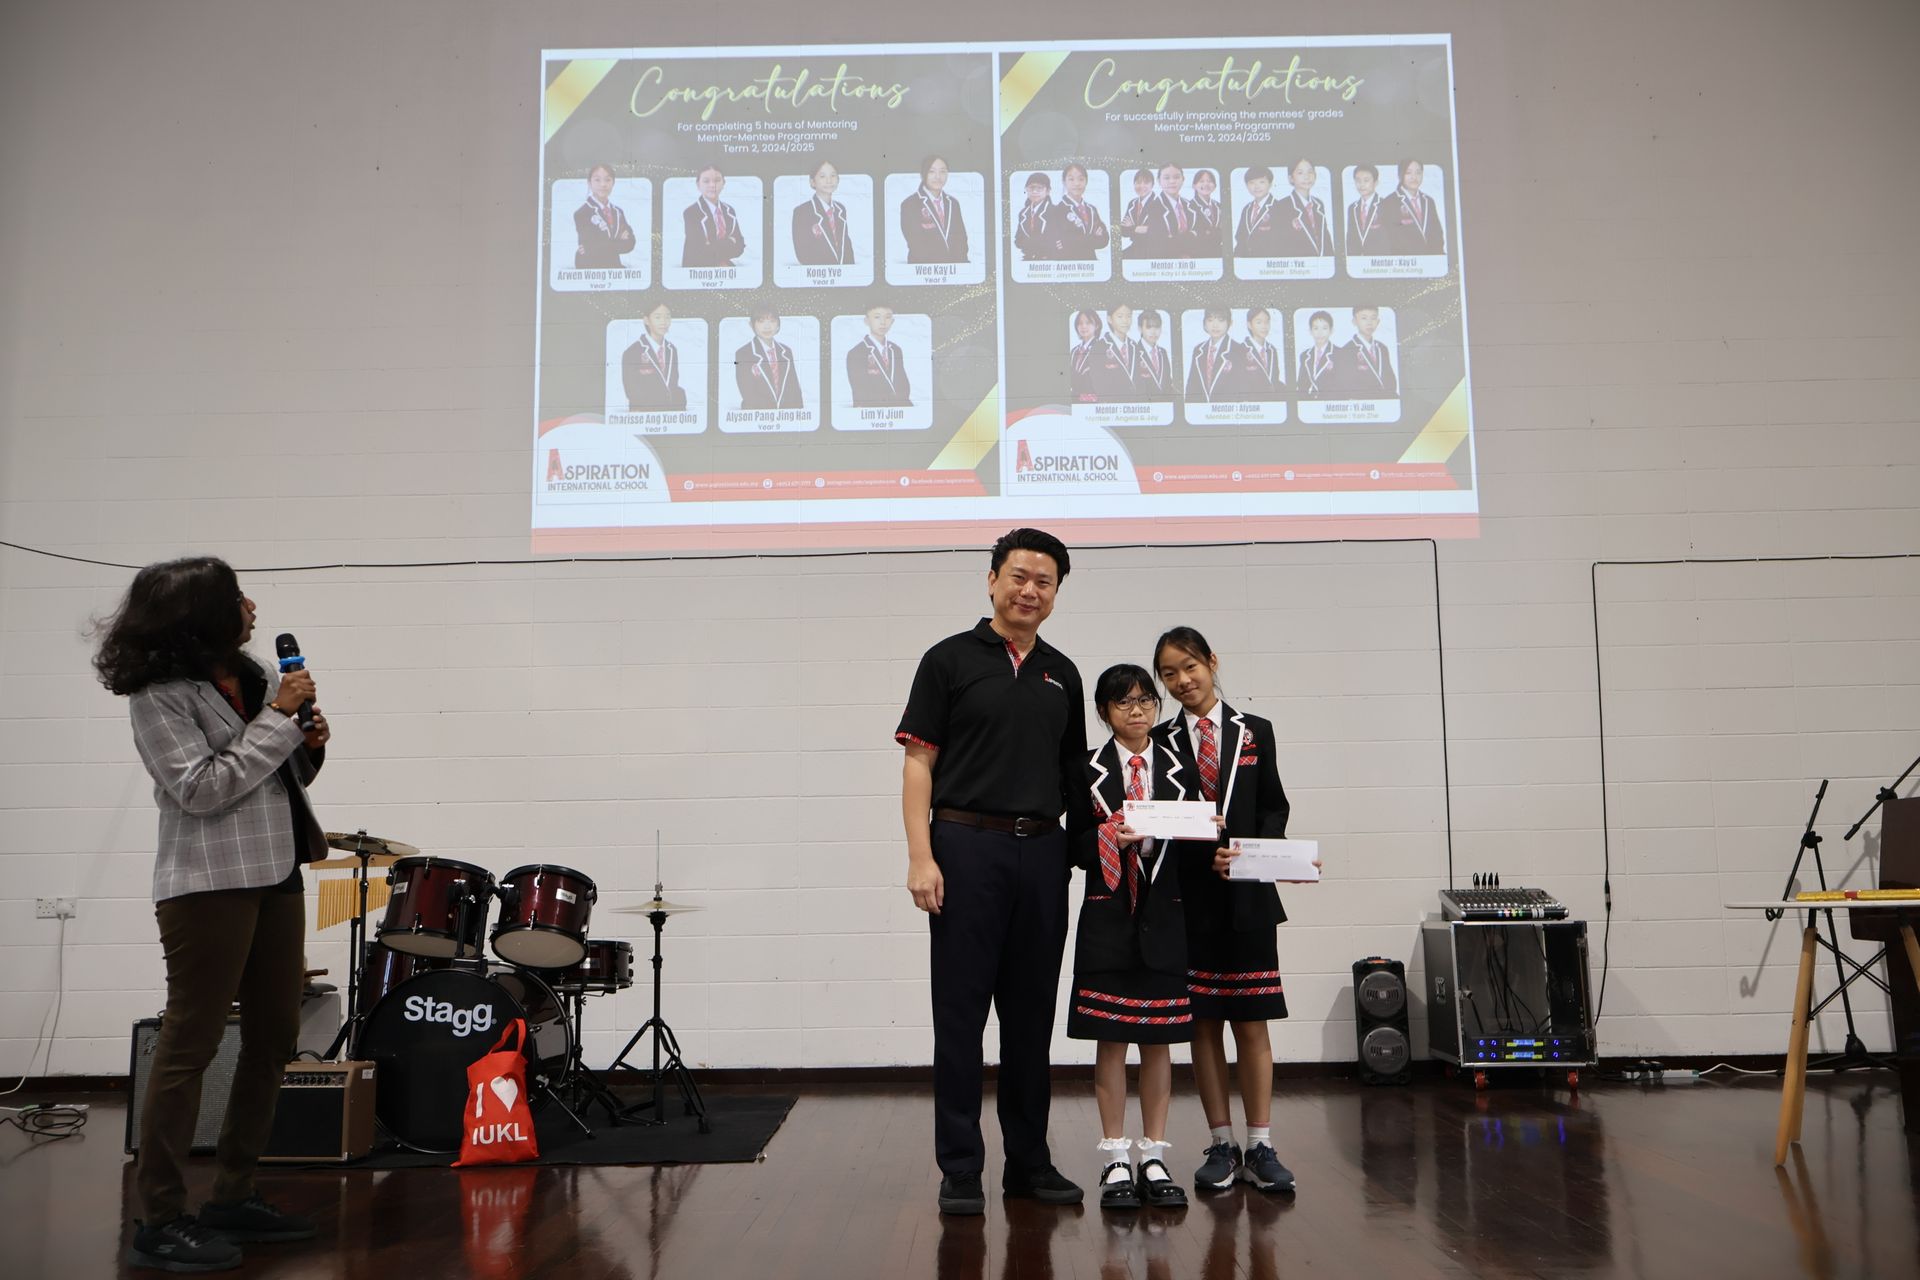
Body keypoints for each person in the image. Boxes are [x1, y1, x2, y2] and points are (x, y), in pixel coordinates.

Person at [94, 557, 330, 1272]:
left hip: (277, 870)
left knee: (274, 1036)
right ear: (198, 614)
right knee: (190, 1044)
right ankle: (160, 1217)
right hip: (207, 884)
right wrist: (280, 719)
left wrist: (307, 744)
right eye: (236, 597)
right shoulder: (158, 697)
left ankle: (233, 1194)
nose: (252, 605)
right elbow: (200, 790)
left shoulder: (249, 676)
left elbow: (274, 777)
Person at [897, 529, 1096, 1216]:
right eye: (1018, 576)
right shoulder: (948, 660)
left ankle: (1028, 1163)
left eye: (1044, 581)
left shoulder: (1063, 673)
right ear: (991, 580)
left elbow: (1076, 775)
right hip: (964, 847)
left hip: (1041, 855)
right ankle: (959, 1167)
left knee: (1031, 1019)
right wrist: (921, 855)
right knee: (959, 1016)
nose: (1029, 590)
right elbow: (918, 763)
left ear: (1056, 593)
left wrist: (1094, 851)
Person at [1151, 626, 1309, 1196]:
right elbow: (1158, 817)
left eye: (1189, 666)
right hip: (1189, 902)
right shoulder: (1160, 739)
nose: (1181, 681)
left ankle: (1261, 1144)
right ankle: (1222, 1143)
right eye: (1169, 674)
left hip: (1248, 900)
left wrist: (1255, 853)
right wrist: (1198, 850)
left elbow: (1274, 807)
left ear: (1212, 662)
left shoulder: (1255, 731)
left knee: (1252, 1021)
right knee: (1203, 1024)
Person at [1070, 665, 1191, 1212]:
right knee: (1112, 1038)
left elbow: (1196, 837)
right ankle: (1116, 1155)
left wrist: (1196, 832)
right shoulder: (1085, 768)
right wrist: (1106, 835)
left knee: (1159, 1040)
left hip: (1164, 917)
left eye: (1145, 700)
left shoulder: (1179, 765)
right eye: (1123, 703)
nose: (1136, 710)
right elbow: (1071, 843)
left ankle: (1155, 1155)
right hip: (1109, 917)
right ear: (1104, 712)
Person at [901, 154, 968, 264]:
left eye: (942, 171)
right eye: (932, 171)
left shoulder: (953, 203)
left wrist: (960, 265)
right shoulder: (910, 204)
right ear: (923, 174)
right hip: (924, 268)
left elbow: (961, 239)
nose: (938, 177)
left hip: (953, 269)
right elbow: (916, 244)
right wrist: (942, 266)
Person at [622, 302, 687, 412]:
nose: (663, 322)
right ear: (646, 320)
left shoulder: (672, 350)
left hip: (670, 414)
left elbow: (672, 384)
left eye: (667, 317)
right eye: (658, 317)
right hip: (645, 414)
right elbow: (631, 391)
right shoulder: (632, 352)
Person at [735, 308, 802, 410]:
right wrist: (773, 414)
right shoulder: (743, 354)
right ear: (751, 324)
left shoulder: (786, 352)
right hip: (757, 414)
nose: (767, 326)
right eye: (761, 321)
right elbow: (748, 394)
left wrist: (797, 415)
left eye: (772, 321)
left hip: (785, 415)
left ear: (778, 324)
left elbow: (794, 390)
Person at [681, 164, 746, 268]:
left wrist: (711, 244)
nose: (712, 185)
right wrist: (730, 241)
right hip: (697, 268)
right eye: (706, 181)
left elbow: (740, 246)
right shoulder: (691, 212)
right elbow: (699, 252)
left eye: (717, 180)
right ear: (698, 185)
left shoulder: (729, 210)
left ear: (723, 183)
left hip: (724, 266)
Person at [573, 163, 637, 269]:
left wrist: (603, 244)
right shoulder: (582, 213)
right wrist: (619, 241)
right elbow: (591, 248)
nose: (603, 184)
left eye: (607, 180)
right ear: (589, 183)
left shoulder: (618, 212)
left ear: (613, 183)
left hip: (614, 266)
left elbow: (630, 243)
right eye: (597, 180)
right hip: (589, 268)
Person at [847, 305, 911, 407]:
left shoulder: (895, 350)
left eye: (887, 317)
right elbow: (861, 391)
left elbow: (903, 384)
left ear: (892, 321)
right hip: (871, 409)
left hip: (899, 409)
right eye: (877, 317)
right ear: (866, 321)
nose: (883, 322)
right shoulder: (856, 353)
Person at [792, 160, 854, 266]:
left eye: (833, 175)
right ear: (812, 182)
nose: (829, 180)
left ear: (838, 179)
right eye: (822, 176)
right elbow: (802, 253)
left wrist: (849, 270)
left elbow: (846, 246)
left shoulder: (840, 209)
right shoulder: (802, 212)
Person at [1273, 159, 1333, 257]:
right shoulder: (1282, 206)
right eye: (1300, 173)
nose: (1306, 177)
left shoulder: (1318, 204)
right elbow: (1280, 244)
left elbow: (1325, 238)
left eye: (1310, 172)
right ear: (1291, 178)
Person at [1384, 159, 1445, 255]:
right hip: (1405, 261)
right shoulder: (1389, 202)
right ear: (1400, 175)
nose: (1414, 177)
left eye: (1418, 173)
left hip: (1430, 259)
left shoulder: (1428, 201)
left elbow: (1437, 233)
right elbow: (1390, 238)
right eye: (1408, 173)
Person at [1185, 306, 1241, 404]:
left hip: (1227, 409)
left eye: (1221, 320)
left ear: (1230, 323)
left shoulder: (1238, 350)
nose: (1215, 325)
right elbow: (1192, 386)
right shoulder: (1199, 350)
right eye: (1210, 320)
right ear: (1204, 323)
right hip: (1201, 410)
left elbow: (1243, 387)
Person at [1055, 163, 1110, 260]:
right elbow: (1061, 241)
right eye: (1071, 179)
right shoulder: (1058, 210)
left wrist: (1073, 241)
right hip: (1068, 263)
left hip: (1091, 262)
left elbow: (1104, 239)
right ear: (1064, 182)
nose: (1077, 183)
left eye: (1081, 179)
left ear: (1086, 182)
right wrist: (1093, 237)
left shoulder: (1092, 209)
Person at [1343, 305, 1397, 397]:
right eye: (1364, 318)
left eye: (1373, 318)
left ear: (1378, 322)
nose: (1369, 323)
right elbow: (1348, 385)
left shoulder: (1382, 348)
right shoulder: (1347, 350)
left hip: (1385, 401)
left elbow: (1390, 379)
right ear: (1354, 321)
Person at [1232, 307, 1285, 400]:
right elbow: (1239, 383)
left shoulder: (1272, 350)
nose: (1264, 326)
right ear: (1249, 325)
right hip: (1252, 404)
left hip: (1273, 402)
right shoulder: (1240, 350)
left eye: (1267, 322)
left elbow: (1274, 379)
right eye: (1259, 322)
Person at [1089, 304, 1139, 402]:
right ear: (1109, 319)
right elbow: (1098, 382)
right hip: (1112, 405)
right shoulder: (1099, 347)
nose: (1125, 321)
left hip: (1136, 406)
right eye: (1120, 316)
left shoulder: (1135, 346)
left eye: (1129, 316)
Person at [1233, 166, 1283, 257]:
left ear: (1270, 184)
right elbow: (1240, 239)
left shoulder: (1279, 208)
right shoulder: (1246, 209)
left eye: (1261, 182)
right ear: (1247, 186)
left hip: (1268, 261)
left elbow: (1282, 242)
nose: (1257, 187)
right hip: (1246, 261)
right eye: (1252, 183)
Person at [1014, 171, 1059, 261]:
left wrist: (1030, 243)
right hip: (1028, 259)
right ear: (1026, 189)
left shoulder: (1055, 211)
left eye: (1039, 188)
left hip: (1050, 259)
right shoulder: (1023, 213)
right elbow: (1018, 241)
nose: (1034, 191)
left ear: (1048, 191)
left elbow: (1054, 241)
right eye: (1031, 188)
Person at [1296, 310, 1340, 399]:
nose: (1320, 333)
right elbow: (1302, 385)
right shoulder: (1305, 355)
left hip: (1331, 403)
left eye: (1324, 328)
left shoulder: (1340, 354)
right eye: (1316, 328)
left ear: (1331, 330)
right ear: (1310, 331)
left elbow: (1343, 384)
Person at [1132, 309, 1174, 401]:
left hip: (1164, 406)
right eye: (1149, 327)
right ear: (1140, 328)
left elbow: (1167, 383)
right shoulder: (1133, 352)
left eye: (1157, 327)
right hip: (1143, 406)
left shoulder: (1163, 352)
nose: (1153, 332)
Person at [1344, 163, 1385, 256]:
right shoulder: (1352, 208)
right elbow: (1350, 238)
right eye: (1358, 181)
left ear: (1376, 182)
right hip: (1358, 260)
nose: (1361, 185)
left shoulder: (1385, 205)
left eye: (1366, 180)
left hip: (1379, 260)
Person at [1116, 168, 1157, 258]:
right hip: (1136, 246)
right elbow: (1123, 230)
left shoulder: (1158, 203)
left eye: (1146, 182)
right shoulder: (1133, 203)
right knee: (1117, 258)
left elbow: (1155, 231)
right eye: (1138, 182)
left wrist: (1132, 227)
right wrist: (1139, 229)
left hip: (1153, 249)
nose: (1141, 186)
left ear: (1152, 185)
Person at [1187, 168, 1226, 254]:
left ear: (1215, 186)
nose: (1206, 184)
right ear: (1194, 186)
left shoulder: (1219, 206)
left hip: (1218, 252)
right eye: (1201, 181)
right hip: (1197, 253)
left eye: (1209, 181)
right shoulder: (1189, 206)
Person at [1069, 308, 1102, 403]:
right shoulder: (1074, 351)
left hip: (1095, 401)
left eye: (1088, 323)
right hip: (1075, 401)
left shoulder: (1101, 348)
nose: (1083, 326)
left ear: (1097, 325)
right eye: (1080, 323)